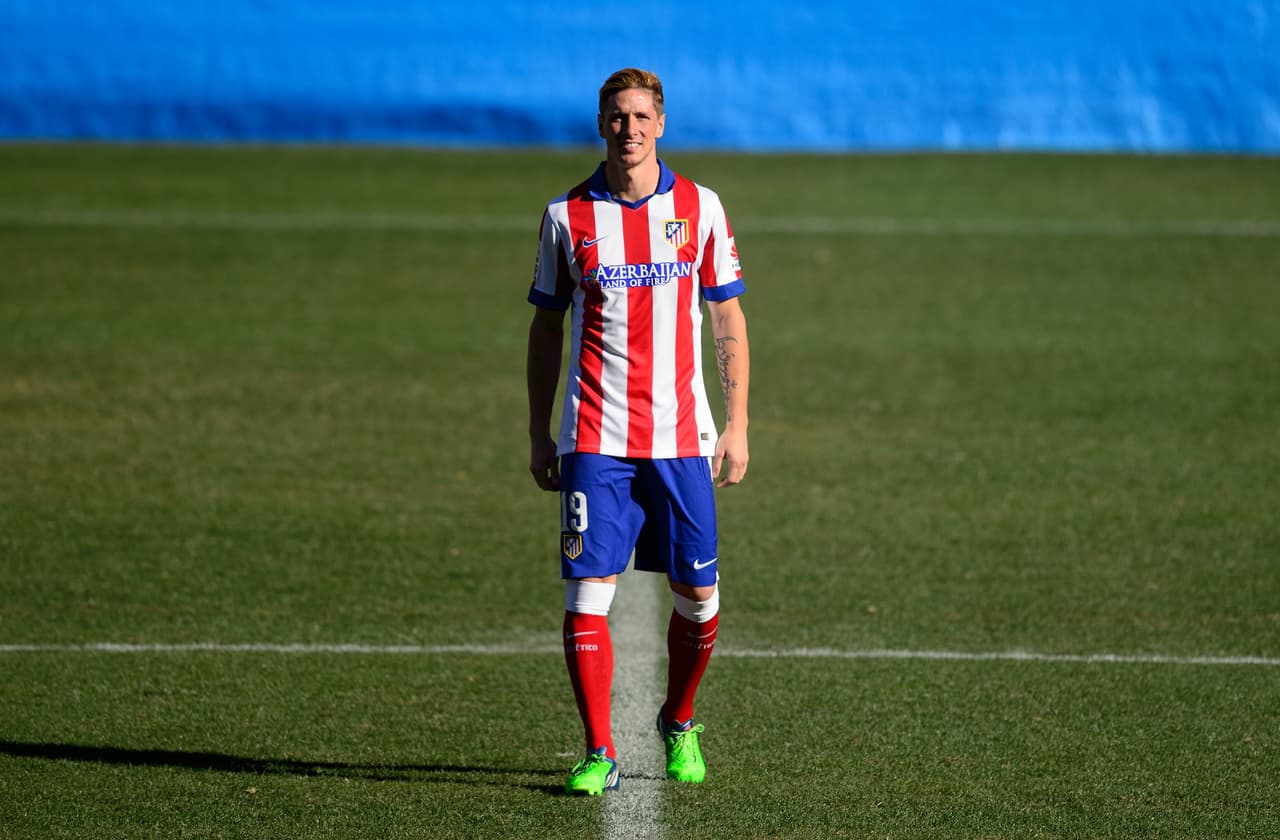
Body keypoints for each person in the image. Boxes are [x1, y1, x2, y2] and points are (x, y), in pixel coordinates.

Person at [526, 67, 750, 797]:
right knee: (587, 591)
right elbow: (545, 327)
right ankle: (599, 751)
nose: (629, 129)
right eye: (617, 116)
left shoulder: (701, 206)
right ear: (601, 123)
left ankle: (680, 721)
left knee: (700, 594)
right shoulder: (566, 216)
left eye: (640, 116)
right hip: (594, 436)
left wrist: (739, 421)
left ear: (661, 123)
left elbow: (726, 318)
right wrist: (538, 430)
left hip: (683, 436)